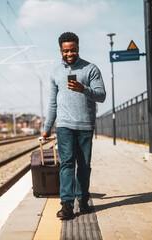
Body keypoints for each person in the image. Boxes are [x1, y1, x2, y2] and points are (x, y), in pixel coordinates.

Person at [42, 32, 106, 219]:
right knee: (67, 164)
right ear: (60, 50)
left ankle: (83, 199)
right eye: (65, 51)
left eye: (73, 50)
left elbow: (101, 96)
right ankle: (67, 204)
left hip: (85, 124)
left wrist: (83, 89)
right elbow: (52, 103)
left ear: (78, 48)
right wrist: (47, 128)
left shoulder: (91, 69)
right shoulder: (55, 73)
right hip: (64, 126)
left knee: (84, 165)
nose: (69, 54)